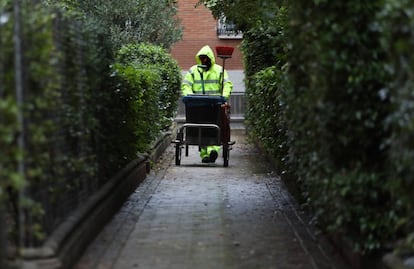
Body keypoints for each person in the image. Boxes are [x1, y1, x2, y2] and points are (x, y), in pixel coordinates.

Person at [181, 45, 233, 163]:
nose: (204, 61)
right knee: (203, 128)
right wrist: (189, 95)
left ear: (210, 59)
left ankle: (211, 151)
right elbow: (186, 85)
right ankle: (206, 154)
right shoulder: (193, 70)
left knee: (213, 127)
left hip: (214, 105)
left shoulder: (219, 70)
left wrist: (224, 96)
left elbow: (227, 84)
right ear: (199, 59)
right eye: (202, 58)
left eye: (206, 58)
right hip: (197, 105)